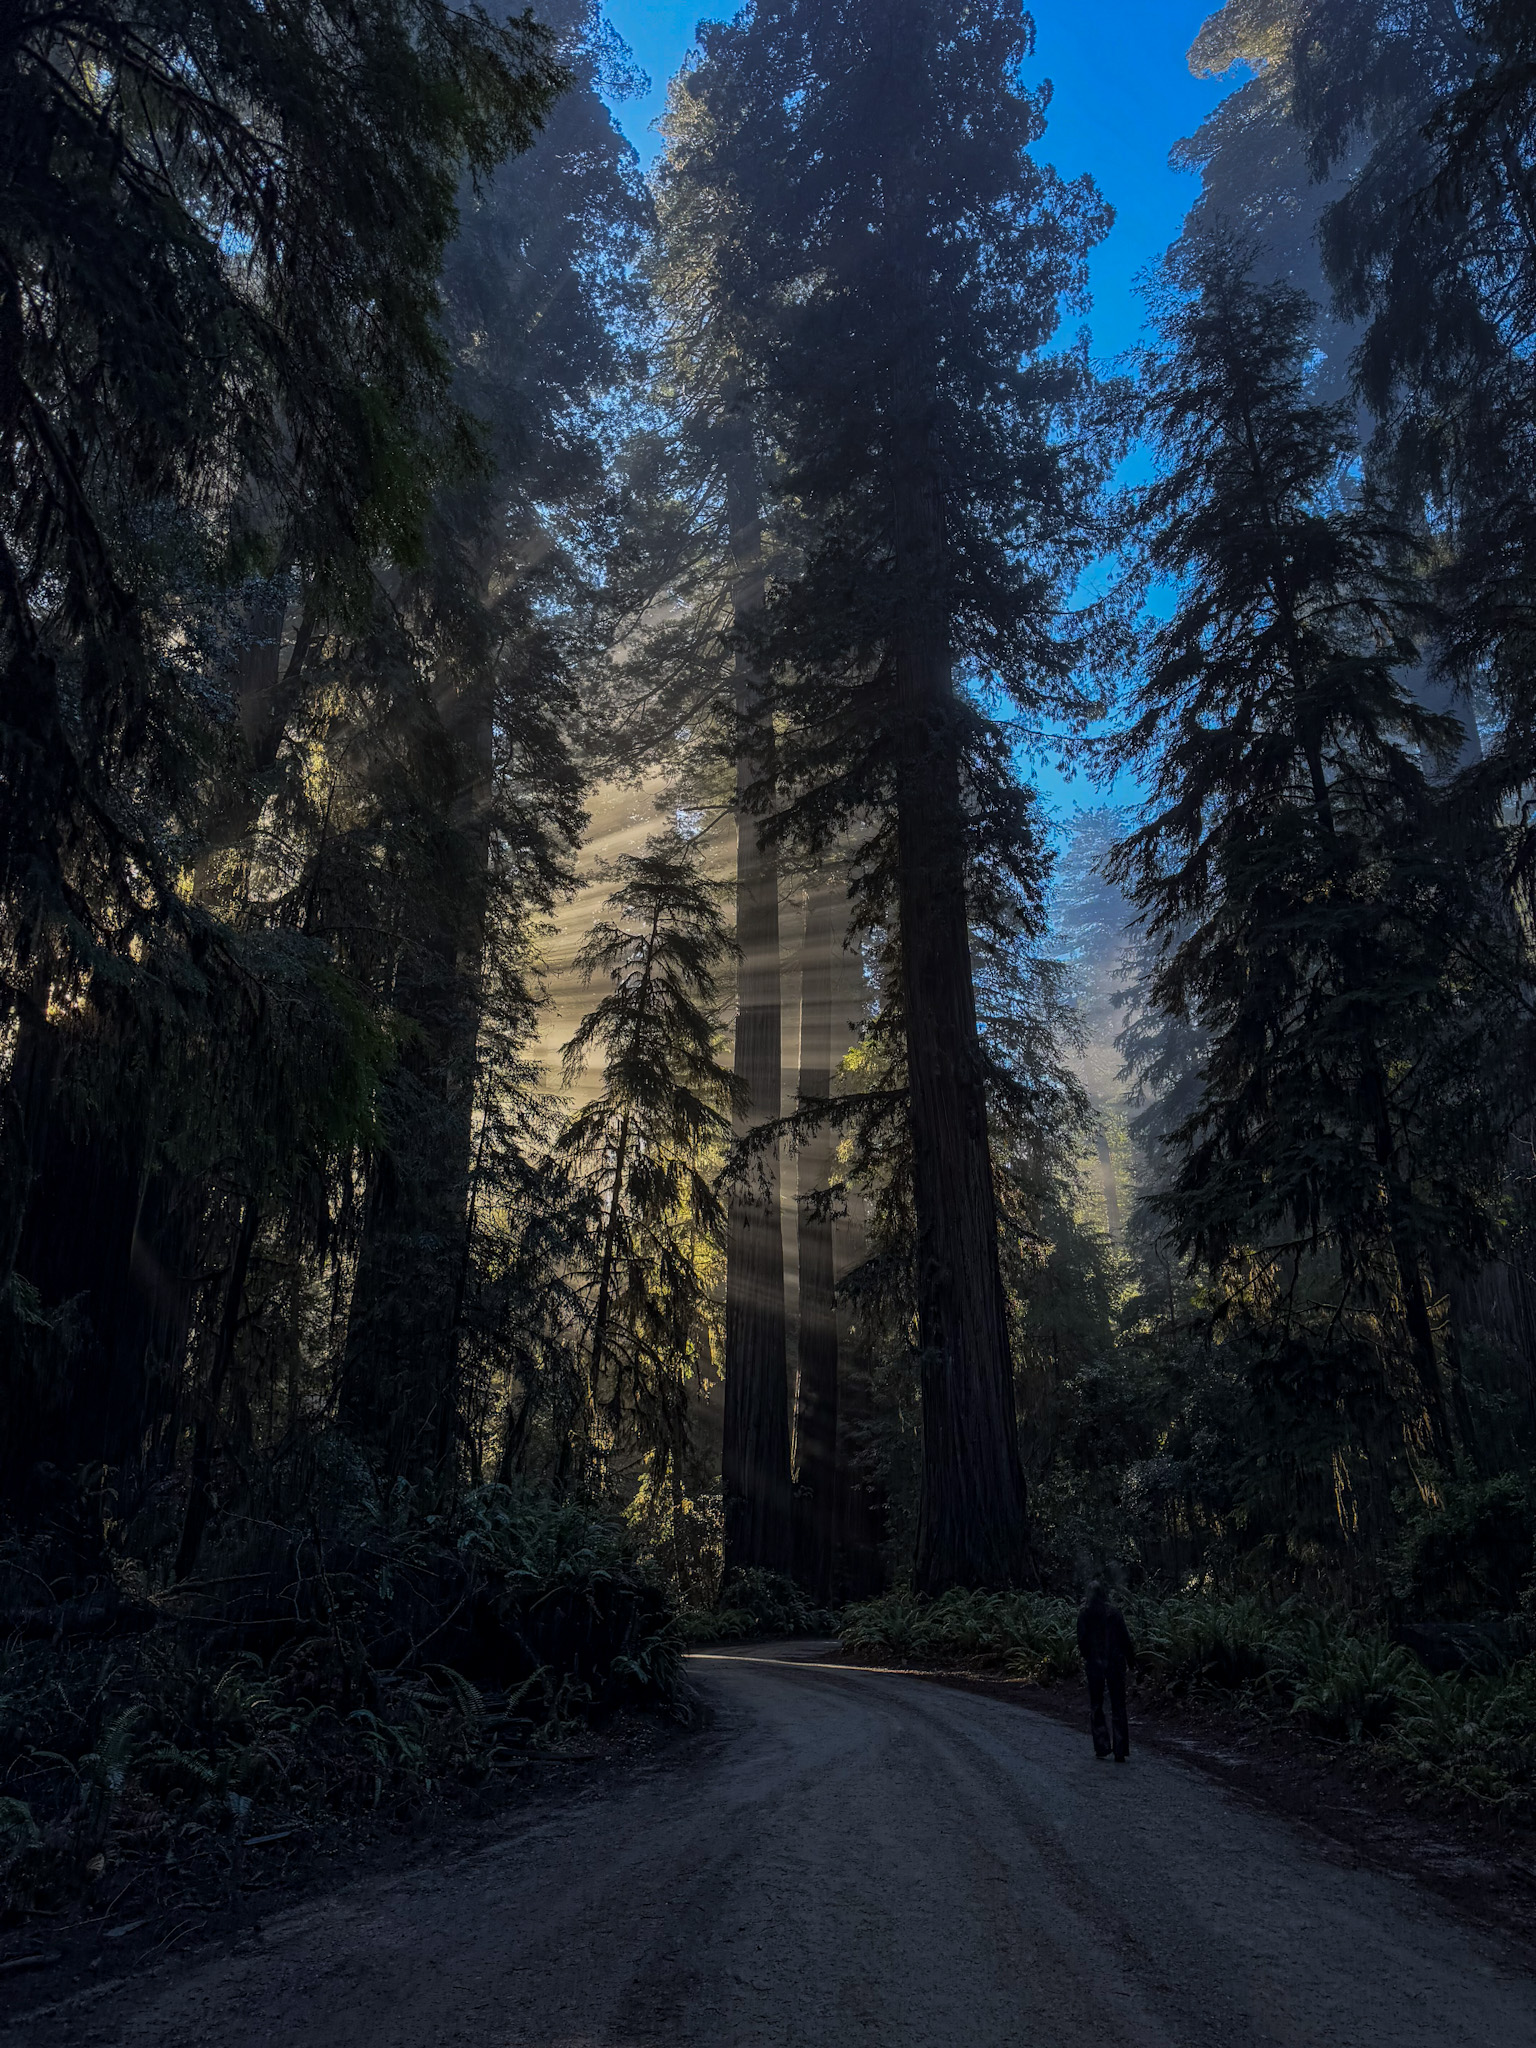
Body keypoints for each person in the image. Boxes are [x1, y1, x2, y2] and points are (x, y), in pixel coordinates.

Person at [1077, 1582, 1136, 1762]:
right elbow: (1125, 1639)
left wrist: (1089, 1657)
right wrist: (1132, 1661)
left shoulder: (1085, 1615)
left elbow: (1081, 1641)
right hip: (1115, 1662)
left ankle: (1102, 1746)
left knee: (1096, 1704)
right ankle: (1120, 1749)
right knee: (1118, 1705)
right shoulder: (1114, 1614)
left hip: (1095, 1663)